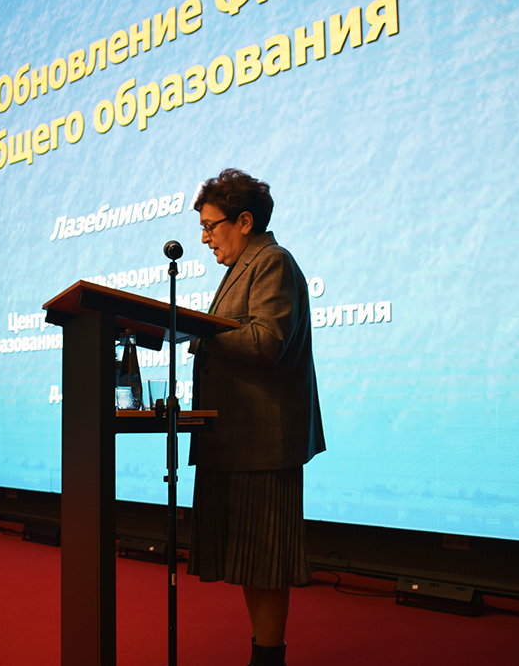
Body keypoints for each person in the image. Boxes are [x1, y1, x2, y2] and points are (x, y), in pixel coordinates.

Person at [187, 168, 326, 666]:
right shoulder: (242, 267)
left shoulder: (272, 261)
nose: (205, 238)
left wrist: (200, 332)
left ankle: (268, 660)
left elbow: (267, 340)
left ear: (244, 221)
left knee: (264, 564)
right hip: (236, 439)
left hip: (262, 442)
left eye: (211, 226)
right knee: (249, 563)